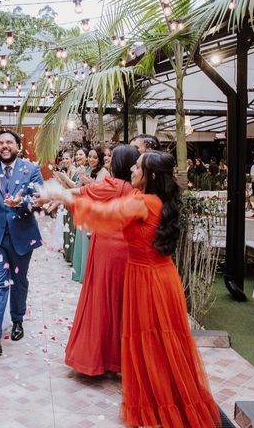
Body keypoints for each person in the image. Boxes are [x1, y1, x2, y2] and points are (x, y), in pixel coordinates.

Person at [43, 151, 220, 427]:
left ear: (150, 176)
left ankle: (165, 405)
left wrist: (63, 196)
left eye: (137, 166)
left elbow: (104, 214)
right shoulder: (142, 199)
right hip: (148, 275)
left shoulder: (146, 203)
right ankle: (155, 400)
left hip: (151, 281)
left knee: (154, 342)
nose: (132, 170)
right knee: (149, 342)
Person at [38, 145, 139, 376]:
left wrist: (52, 195)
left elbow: (81, 192)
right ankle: (119, 359)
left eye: (111, 158)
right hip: (128, 249)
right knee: (120, 303)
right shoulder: (135, 188)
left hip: (108, 248)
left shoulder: (114, 184)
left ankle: (97, 359)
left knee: (101, 300)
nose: (107, 160)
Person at [0, 129, 43, 356]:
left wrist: (21, 202)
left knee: (19, 280)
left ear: (17, 146)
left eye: (9, 143)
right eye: (1, 143)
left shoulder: (31, 169)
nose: (5, 146)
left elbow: (39, 199)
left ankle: (17, 319)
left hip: (22, 236)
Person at [71, 146, 109, 283]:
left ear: (99, 159)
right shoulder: (87, 170)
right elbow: (78, 188)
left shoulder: (104, 172)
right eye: (90, 157)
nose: (91, 159)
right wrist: (82, 180)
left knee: (89, 242)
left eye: (95, 157)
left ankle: (89, 275)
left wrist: (89, 183)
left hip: (95, 211)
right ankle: (81, 273)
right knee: (82, 242)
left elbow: (101, 190)